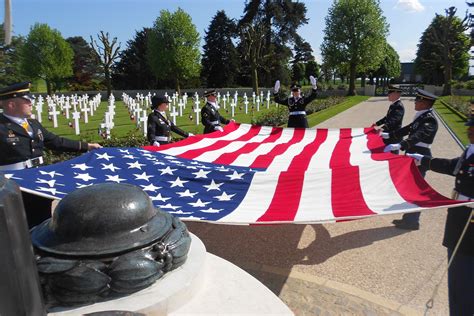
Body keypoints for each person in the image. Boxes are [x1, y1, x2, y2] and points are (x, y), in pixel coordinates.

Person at [0, 82, 102, 227]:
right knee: (17, 225)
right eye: (27, 100)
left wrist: (86, 146)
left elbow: (55, 142)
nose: (31, 103)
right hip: (13, 183)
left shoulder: (33, 124)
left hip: (38, 178)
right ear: (11, 104)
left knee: (42, 218)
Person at [406, 104, 473, 315]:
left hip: (469, 222)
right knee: (456, 275)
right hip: (459, 217)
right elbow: (454, 167)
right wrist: (424, 160)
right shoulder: (471, 150)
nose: (469, 130)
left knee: (464, 278)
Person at [383, 89, 438, 230]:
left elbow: (418, 135)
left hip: (420, 154)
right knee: (410, 187)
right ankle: (408, 219)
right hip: (413, 152)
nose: (415, 102)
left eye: (418, 100)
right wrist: (389, 135)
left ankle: (413, 221)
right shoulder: (422, 116)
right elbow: (408, 129)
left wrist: (401, 144)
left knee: (416, 190)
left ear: (425, 103)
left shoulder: (430, 119)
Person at [373, 84, 405, 153]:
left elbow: (394, 120)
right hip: (389, 135)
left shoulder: (399, 106)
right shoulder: (394, 105)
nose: (388, 95)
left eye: (390, 93)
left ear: (397, 94)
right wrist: (377, 123)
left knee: (392, 157)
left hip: (394, 137)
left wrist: (383, 128)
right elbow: (387, 117)